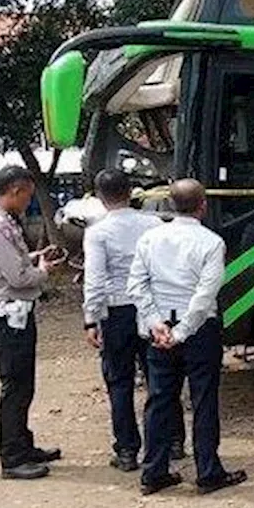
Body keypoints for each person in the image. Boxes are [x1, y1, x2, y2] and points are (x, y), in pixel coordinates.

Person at [127, 178, 247, 496]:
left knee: (159, 400)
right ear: (203, 205)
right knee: (204, 399)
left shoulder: (150, 239)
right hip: (197, 331)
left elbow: (136, 285)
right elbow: (205, 295)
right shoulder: (211, 242)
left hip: (158, 330)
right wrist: (181, 332)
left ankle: (154, 471)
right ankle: (207, 471)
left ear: (169, 204)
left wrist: (156, 324)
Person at [82, 169, 187, 472]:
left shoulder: (98, 232)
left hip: (116, 312)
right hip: (152, 308)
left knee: (119, 381)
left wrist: (91, 319)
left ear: (100, 198)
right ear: (131, 193)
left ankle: (127, 450)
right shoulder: (154, 223)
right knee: (162, 376)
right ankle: (172, 441)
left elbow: (95, 280)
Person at [0, 166, 64, 479]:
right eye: (27, 195)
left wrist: (36, 256)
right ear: (14, 191)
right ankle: (12, 458)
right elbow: (18, 277)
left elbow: (13, 263)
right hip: (7, 316)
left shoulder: (1, 224)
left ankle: (23, 445)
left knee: (23, 385)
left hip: (14, 314)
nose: (28, 201)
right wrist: (43, 272)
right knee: (15, 387)